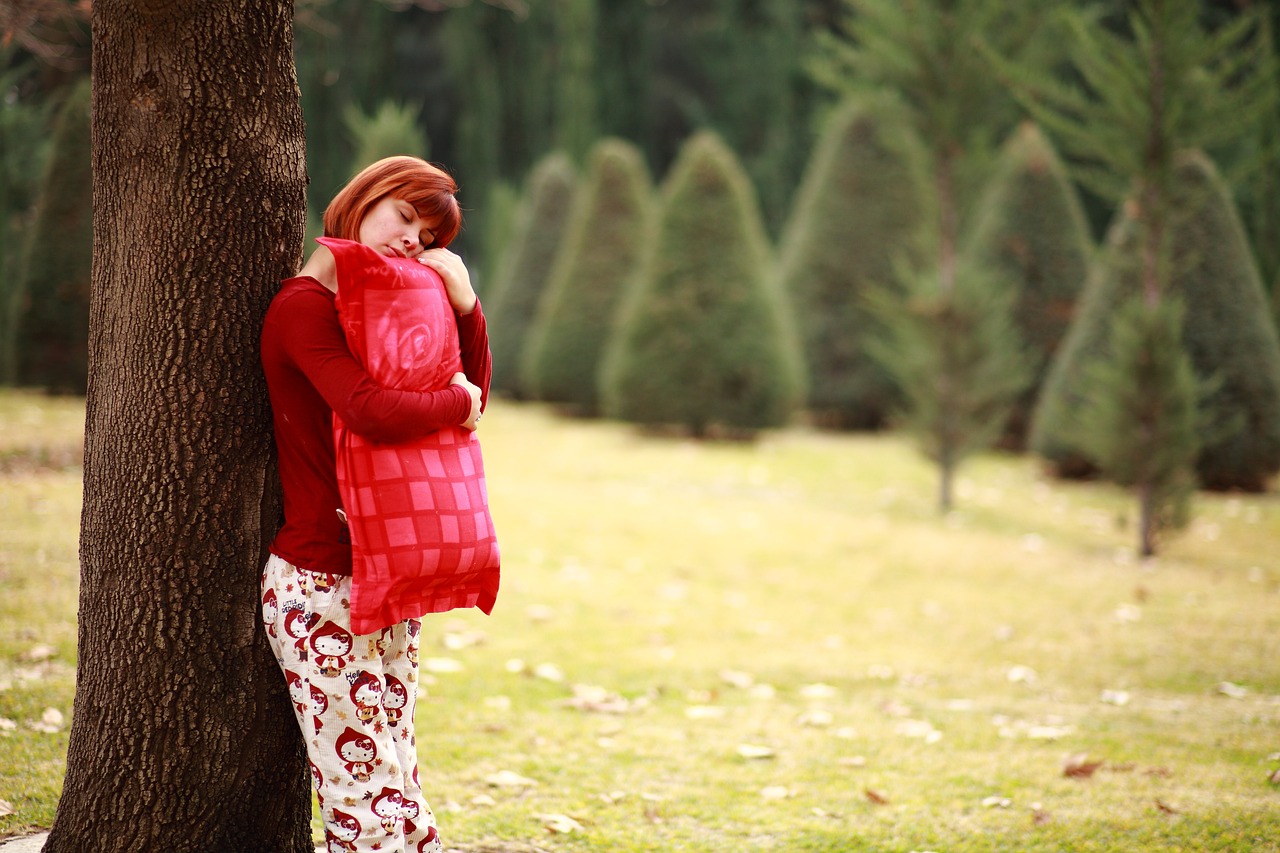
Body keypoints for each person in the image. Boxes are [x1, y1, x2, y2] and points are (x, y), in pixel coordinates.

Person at [259, 156, 490, 853]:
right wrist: (455, 400)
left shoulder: (384, 309)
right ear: (365, 196)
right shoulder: (303, 306)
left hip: (388, 572)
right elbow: (372, 410)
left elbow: (471, 393)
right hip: (320, 581)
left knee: (395, 773)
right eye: (404, 217)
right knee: (363, 788)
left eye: (426, 236)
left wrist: (466, 305)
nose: (411, 241)